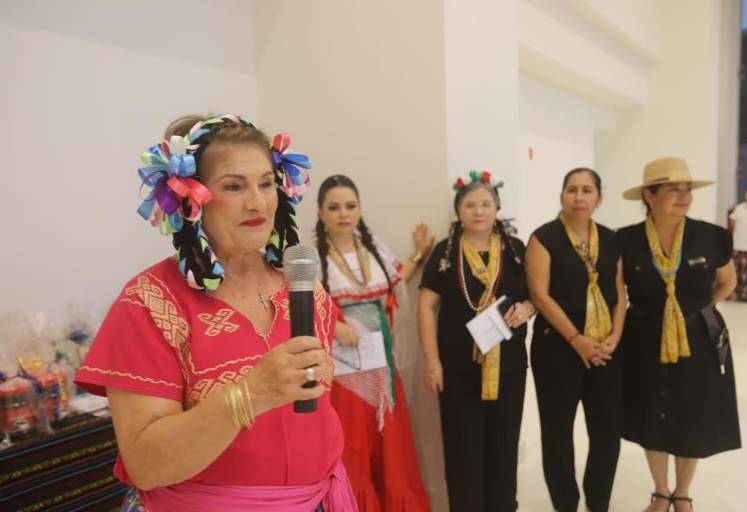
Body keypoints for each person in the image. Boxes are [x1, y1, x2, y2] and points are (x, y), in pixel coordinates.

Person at [75, 114, 357, 511]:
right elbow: (145, 465)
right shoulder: (150, 303)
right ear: (191, 198)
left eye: (265, 183)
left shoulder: (304, 286)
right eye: (233, 186)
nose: (257, 202)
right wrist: (248, 396)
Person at [619, 157, 741, 512]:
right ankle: (660, 491)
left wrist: (695, 313)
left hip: (698, 339)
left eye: (687, 190)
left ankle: (683, 492)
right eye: (674, 189)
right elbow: (618, 294)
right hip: (644, 339)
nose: (684, 197)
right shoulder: (625, 240)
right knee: (651, 412)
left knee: (693, 412)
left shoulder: (711, 236)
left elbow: (727, 282)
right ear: (650, 195)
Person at [315, 174, 433, 511]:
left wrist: (419, 254)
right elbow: (301, 306)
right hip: (345, 370)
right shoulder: (313, 257)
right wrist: (333, 324)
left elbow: (396, 282)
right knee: (354, 447)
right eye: (334, 207)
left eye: (350, 206)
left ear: (360, 209)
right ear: (321, 212)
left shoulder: (374, 249)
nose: (343, 214)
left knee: (389, 449)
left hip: (381, 363)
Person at [417, 171, 533, 511]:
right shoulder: (445, 252)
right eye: (470, 204)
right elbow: (426, 306)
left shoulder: (515, 249)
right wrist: (432, 361)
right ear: (458, 210)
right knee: (462, 447)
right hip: (457, 369)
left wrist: (527, 308)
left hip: (509, 368)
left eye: (485, 203)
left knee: (504, 445)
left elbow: (537, 294)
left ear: (497, 207)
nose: (478, 210)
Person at [525, 168, 627, 512]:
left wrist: (615, 335)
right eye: (572, 190)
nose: (579, 197)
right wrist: (575, 338)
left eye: (587, 190)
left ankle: (598, 504)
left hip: (605, 351)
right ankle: (565, 504)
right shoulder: (544, 237)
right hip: (557, 349)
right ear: (561, 196)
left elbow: (619, 294)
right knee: (557, 435)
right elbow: (539, 295)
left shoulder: (612, 239)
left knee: (607, 435)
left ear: (599, 198)